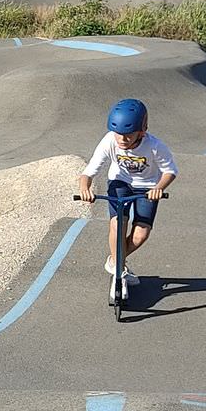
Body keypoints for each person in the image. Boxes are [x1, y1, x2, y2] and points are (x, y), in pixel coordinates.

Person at [78, 98, 177, 300]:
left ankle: (115, 261)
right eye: (118, 135)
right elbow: (89, 170)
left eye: (128, 135)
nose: (122, 140)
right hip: (119, 183)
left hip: (147, 187)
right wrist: (84, 188)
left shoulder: (155, 146)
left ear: (142, 130)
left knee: (141, 234)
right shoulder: (109, 141)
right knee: (118, 223)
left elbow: (170, 171)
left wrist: (159, 188)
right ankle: (119, 270)